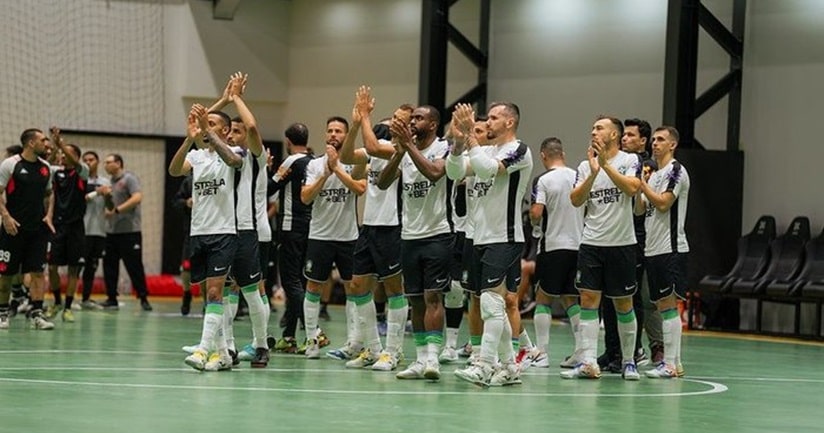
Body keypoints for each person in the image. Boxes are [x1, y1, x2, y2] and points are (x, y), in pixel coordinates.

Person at [449, 102, 533, 387]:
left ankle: (485, 365)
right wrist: (458, 143)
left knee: (490, 302)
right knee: (490, 303)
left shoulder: (519, 150)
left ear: (509, 122)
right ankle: (508, 367)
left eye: (494, 118)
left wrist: (470, 137)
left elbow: (487, 171)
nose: (488, 122)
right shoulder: (485, 150)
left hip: (505, 237)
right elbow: (455, 172)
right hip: (480, 237)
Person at [562, 115, 642, 380]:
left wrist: (606, 166)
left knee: (623, 303)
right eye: (592, 128)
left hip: (622, 244)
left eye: (599, 128)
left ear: (614, 134)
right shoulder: (586, 165)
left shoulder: (630, 160)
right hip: (591, 243)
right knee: (588, 301)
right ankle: (588, 362)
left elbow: (632, 188)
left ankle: (629, 361)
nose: (593, 132)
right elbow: (575, 200)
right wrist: (594, 172)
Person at [338, 86, 412, 370]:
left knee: (393, 289)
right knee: (358, 286)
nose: (394, 121)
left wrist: (366, 115)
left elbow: (371, 147)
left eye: (401, 119)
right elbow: (347, 157)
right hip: (369, 226)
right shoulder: (379, 145)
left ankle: (393, 352)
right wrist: (356, 124)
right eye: (394, 116)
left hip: (392, 227)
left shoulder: (403, 150)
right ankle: (373, 348)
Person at [377, 105, 453, 381]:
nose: (412, 122)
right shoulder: (405, 151)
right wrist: (399, 153)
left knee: (433, 296)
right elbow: (383, 183)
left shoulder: (444, 147)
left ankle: (433, 357)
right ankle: (420, 360)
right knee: (416, 300)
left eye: (418, 118)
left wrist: (408, 146)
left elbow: (434, 173)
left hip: (438, 233)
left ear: (432, 124)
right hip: (409, 235)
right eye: (411, 119)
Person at [169, 102, 243, 371]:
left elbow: (233, 161)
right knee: (209, 296)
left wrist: (206, 131)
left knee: (214, 292)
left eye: (211, 124)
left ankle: (203, 350)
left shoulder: (234, 151)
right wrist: (189, 139)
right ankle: (223, 354)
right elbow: (174, 170)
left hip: (223, 232)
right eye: (205, 123)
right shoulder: (198, 156)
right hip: (198, 232)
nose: (205, 128)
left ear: (225, 130)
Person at [300, 116, 367, 359]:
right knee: (313, 286)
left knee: (353, 288)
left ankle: (353, 342)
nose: (333, 135)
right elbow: (305, 197)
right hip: (320, 236)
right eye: (330, 130)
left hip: (348, 236)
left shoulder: (356, 161)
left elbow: (360, 188)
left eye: (339, 131)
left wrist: (337, 168)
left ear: (347, 136)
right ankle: (311, 340)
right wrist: (325, 174)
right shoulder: (314, 164)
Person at [598, 118, 660, 371]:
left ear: (643, 141)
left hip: (636, 235)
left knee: (630, 295)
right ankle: (611, 350)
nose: (625, 138)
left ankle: (633, 351)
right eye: (624, 135)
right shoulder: (616, 161)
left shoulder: (645, 165)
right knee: (607, 295)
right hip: (610, 236)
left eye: (631, 135)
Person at [637, 126, 689, 378]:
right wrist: (639, 188)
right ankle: (674, 363)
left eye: (660, 140)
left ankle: (669, 363)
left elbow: (664, 203)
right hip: (652, 248)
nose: (655, 143)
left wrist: (642, 186)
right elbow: (640, 210)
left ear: (672, 145)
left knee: (668, 305)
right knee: (661, 305)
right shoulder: (654, 175)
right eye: (654, 140)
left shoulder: (676, 171)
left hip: (671, 247)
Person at [529, 137, 584, 368]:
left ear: (543, 156)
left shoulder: (542, 179)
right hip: (578, 245)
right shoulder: (579, 176)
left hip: (552, 246)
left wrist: (533, 221)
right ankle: (581, 352)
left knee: (543, 297)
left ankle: (542, 353)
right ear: (563, 154)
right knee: (571, 297)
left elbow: (536, 213)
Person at [0, 128, 55, 330]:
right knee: (6, 274)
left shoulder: (46, 167)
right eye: (43, 140)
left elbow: (49, 194)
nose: (46, 144)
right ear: (31, 143)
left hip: (37, 230)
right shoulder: (10, 164)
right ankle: (2, 313)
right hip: (13, 229)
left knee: (38, 273)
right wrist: (6, 217)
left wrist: (49, 215)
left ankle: (37, 315)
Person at [270, 123, 315, 354]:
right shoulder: (314, 161)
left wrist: (268, 169)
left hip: (290, 227)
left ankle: (309, 333)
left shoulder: (291, 161)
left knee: (291, 282)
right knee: (302, 281)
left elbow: (269, 188)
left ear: (288, 141)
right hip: (310, 226)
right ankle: (295, 334)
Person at [44, 128, 88, 323]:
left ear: (76, 156)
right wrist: (55, 146)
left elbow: (76, 164)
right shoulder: (55, 172)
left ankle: (68, 307)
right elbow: (46, 164)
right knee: (52, 267)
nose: (62, 156)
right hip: (57, 226)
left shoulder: (82, 172)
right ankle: (57, 302)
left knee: (73, 269)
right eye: (61, 154)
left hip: (76, 227)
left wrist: (61, 144)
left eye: (66, 153)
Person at [98, 153, 152, 311]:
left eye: (108, 162)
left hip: (130, 232)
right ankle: (111, 298)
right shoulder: (108, 183)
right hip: (111, 232)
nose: (105, 165)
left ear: (118, 163)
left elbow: (137, 198)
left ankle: (143, 298)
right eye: (105, 163)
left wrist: (117, 210)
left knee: (134, 266)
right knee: (109, 266)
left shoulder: (129, 179)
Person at [80, 151, 110, 310]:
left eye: (91, 159)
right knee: (77, 266)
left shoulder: (105, 182)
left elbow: (110, 206)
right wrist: (97, 192)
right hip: (82, 230)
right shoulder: (79, 179)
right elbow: (80, 199)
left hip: (99, 231)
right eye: (85, 160)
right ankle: (68, 301)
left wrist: (107, 196)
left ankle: (85, 299)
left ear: (97, 162)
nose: (88, 162)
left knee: (92, 266)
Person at [172, 173, 194, 315]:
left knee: (208, 269)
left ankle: (208, 301)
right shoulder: (189, 181)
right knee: (186, 267)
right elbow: (176, 201)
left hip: (213, 231)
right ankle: (187, 294)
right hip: (191, 232)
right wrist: (186, 203)